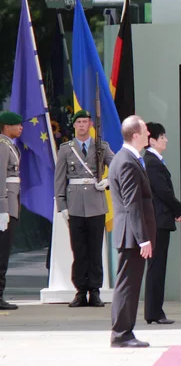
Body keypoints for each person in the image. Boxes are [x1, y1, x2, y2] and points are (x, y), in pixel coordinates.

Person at [54, 110, 114, 307]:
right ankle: (80, 291)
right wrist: (62, 205)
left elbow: (117, 167)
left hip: (96, 204)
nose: (81, 125)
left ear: (90, 125)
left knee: (95, 250)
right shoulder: (65, 149)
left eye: (85, 121)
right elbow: (60, 180)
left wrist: (106, 181)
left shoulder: (101, 147)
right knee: (79, 250)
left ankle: (95, 291)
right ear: (74, 125)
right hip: (75, 205)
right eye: (78, 122)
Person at [109, 115, 155, 348]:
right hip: (132, 235)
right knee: (128, 285)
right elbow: (132, 203)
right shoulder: (127, 161)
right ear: (135, 135)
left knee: (130, 284)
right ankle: (121, 334)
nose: (149, 134)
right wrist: (143, 238)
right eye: (145, 130)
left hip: (131, 234)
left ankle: (124, 332)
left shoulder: (128, 158)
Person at [143, 123, 181, 325]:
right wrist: (179, 210)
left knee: (157, 267)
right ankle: (154, 312)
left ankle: (154, 311)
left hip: (159, 219)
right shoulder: (152, 162)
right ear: (152, 140)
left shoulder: (153, 161)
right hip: (158, 221)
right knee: (156, 267)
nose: (166, 140)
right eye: (163, 137)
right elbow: (163, 192)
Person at [0, 111, 23, 310]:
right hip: (5, 206)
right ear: (6, 126)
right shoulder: (2, 146)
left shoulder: (9, 145)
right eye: (17, 124)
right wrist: (2, 208)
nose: (20, 127)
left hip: (11, 203)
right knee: (1, 252)